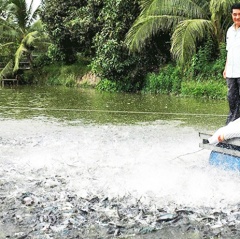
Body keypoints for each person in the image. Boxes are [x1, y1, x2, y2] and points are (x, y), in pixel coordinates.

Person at [223, 3, 240, 124]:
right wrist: (225, 68)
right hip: (231, 72)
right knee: (232, 100)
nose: (237, 17)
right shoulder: (229, 31)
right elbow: (229, 51)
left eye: (239, 14)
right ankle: (230, 128)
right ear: (231, 15)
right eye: (235, 14)